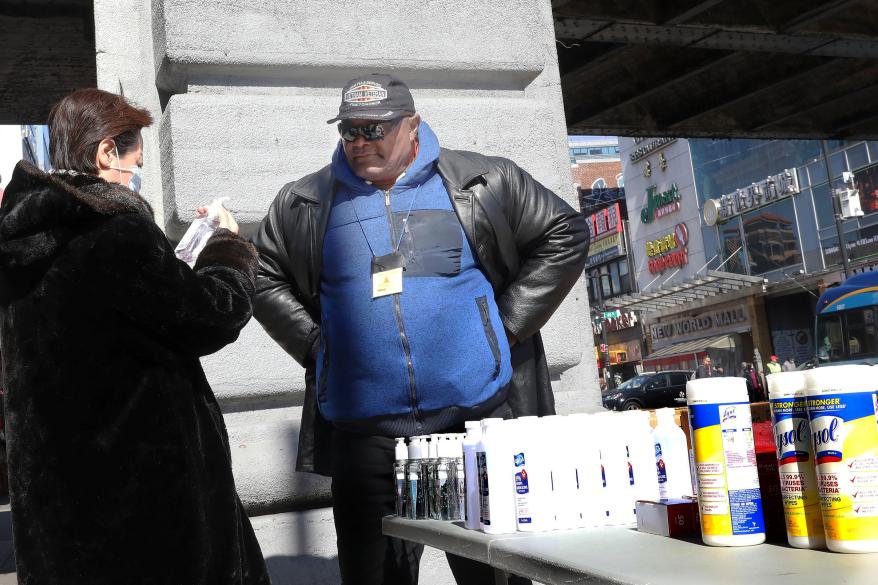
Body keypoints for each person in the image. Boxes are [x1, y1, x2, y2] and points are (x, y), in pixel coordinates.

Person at [251, 73, 589, 585]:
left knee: (494, 575)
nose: (360, 143)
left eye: (375, 129)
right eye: (349, 131)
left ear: (413, 126)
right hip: (369, 440)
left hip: (471, 427)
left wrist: (507, 326)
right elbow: (259, 274)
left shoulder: (481, 181)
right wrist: (318, 346)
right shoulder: (306, 201)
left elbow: (564, 232)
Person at [0, 89, 270, 585]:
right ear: (106, 152)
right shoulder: (114, 234)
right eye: (134, 163)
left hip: (61, 513)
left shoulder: (19, 245)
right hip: (147, 513)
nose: (136, 177)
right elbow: (210, 316)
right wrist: (228, 248)